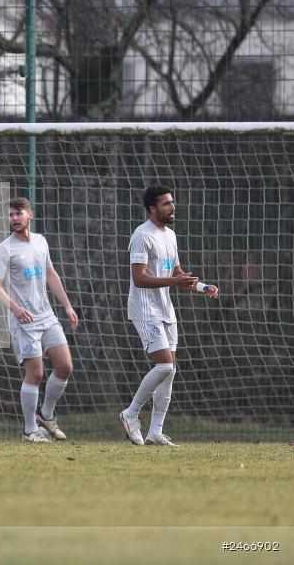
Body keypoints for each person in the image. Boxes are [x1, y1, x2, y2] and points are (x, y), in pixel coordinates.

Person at [120, 184, 220, 446]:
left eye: (172, 202)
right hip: (145, 308)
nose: (172, 207)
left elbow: (177, 274)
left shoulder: (171, 236)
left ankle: (155, 432)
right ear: (152, 209)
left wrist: (202, 287)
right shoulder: (142, 235)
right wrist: (175, 282)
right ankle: (130, 414)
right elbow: (139, 278)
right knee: (164, 365)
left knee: (170, 370)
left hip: (165, 308)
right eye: (166, 203)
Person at [0, 197, 79, 443]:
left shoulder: (41, 242)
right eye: (10, 215)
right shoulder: (5, 249)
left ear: (30, 214)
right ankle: (30, 431)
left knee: (65, 367)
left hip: (47, 316)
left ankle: (46, 416)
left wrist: (67, 305)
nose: (14, 218)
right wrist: (15, 308)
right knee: (36, 374)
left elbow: (51, 273)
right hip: (24, 321)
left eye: (18, 213)